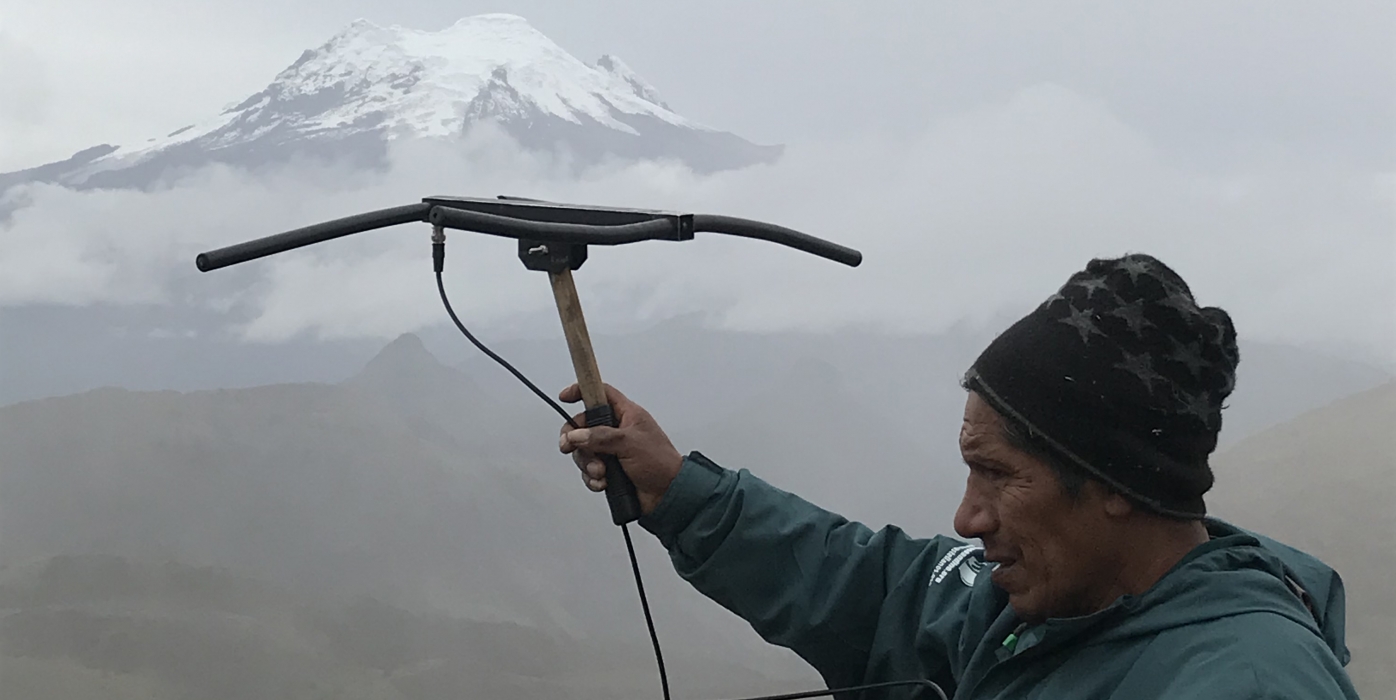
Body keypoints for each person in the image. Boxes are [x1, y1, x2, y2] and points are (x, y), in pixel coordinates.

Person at [557, 253, 1359, 699]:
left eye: (999, 475)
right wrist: (677, 490)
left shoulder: (1247, 684)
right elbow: (870, 588)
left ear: (1117, 485)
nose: (968, 518)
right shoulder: (1029, 605)